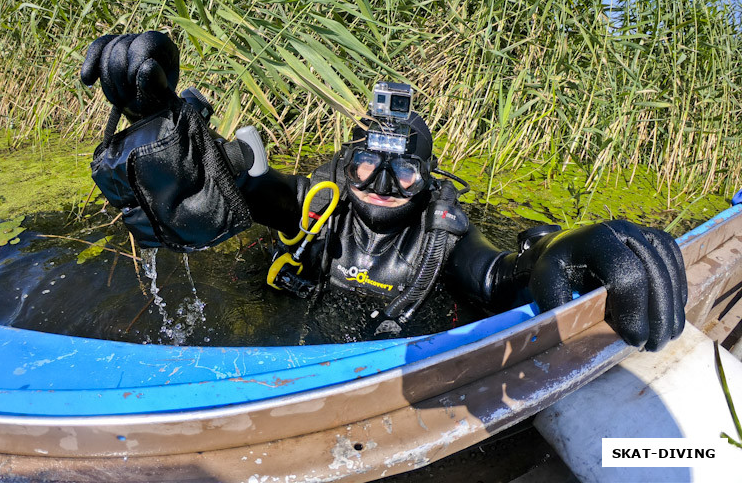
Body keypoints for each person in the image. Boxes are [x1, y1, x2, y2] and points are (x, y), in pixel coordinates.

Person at [81, 31, 687, 351]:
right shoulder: (320, 208)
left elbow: (497, 275)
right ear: (347, 165)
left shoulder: (439, 235)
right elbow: (249, 189)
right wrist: (175, 140)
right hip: (295, 351)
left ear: (429, 182)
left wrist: (569, 252)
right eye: (368, 168)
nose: (384, 187)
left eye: (405, 174)